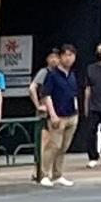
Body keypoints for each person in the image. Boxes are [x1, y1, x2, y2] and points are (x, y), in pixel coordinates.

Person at [34, 44, 81, 185]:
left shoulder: (72, 75)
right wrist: (52, 114)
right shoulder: (52, 75)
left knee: (63, 147)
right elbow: (46, 95)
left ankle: (57, 174)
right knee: (53, 145)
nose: (69, 58)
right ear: (60, 57)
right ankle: (44, 174)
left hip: (72, 115)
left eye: (72, 55)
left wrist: (77, 112)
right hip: (58, 116)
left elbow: (75, 95)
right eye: (66, 55)